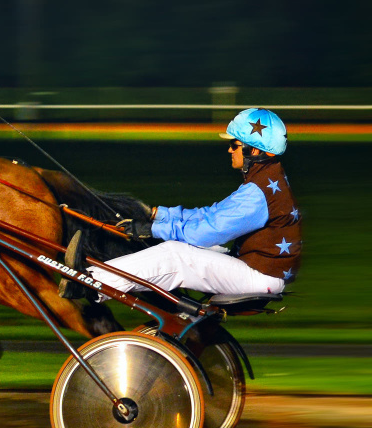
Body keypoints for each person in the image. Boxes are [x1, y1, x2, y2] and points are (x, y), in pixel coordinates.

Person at [59, 108, 301, 301]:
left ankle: (91, 281)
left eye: (235, 145)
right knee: (177, 247)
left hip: (260, 275)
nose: (229, 150)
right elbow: (212, 215)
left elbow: (203, 234)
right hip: (258, 268)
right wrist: (158, 215)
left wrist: (151, 229)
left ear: (255, 151)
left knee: (176, 254)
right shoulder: (267, 180)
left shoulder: (257, 193)